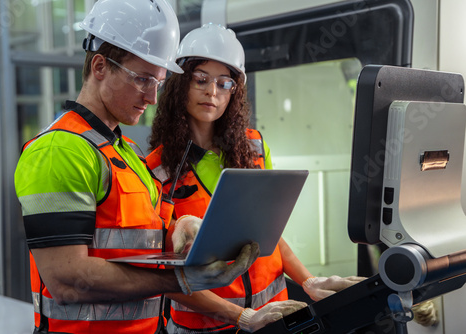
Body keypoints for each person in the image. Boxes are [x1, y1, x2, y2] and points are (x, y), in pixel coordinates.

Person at [13, 2, 264, 333]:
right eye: (143, 79)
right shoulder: (60, 150)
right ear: (100, 66)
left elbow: (141, 243)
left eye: (158, 82)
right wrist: (179, 279)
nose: (153, 97)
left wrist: (181, 226)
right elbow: (67, 280)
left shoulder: (126, 153)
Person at [147, 23, 365, 333]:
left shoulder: (253, 146)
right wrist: (241, 317)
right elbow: (164, 279)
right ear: (180, 83)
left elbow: (268, 236)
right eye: (201, 80)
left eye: (224, 83)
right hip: (207, 327)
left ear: (234, 92)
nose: (212, 92)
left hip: (275, 316)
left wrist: (309, 281)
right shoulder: (157, 169)